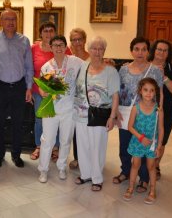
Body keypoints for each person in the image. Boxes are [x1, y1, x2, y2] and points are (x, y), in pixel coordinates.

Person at [113, 37, 163, 194]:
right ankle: (126, 171)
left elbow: (159, 92)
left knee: (144, 146)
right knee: (126, 145)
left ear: (148, 51)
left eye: (143, 49)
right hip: (126, 113)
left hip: (146, 115)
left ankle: (144, 178)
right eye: (136, 49)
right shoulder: (123, 69)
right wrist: (115, 112)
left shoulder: (155, 70)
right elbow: (118, 91)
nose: (140, 52)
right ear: (131, 51)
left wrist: (159, 110)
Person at [0, 9, 34, 168]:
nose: (10, 22)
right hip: (0, 86)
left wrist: (28, 88)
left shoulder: (24, 41)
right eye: (7, 19)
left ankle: (16, 154)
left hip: (19, 86)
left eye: (13, 19)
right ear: (1, 22)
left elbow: (29, 66)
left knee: (18, 123)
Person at [73, 36, 119, 191]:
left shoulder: (111, 71)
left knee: (97, 146)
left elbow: (115, 96)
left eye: (101, 48)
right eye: (94, 48)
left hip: (99, 115)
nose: (97, 51)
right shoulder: (83, 66)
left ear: (104, 51)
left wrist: (112, 117)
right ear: (89, 49)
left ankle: (97, 178)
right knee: (83, 145)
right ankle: (85, 174)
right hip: (80, 114)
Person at [38, 35, 83, 183]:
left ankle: (62, 166)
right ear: (51, 48)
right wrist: (42, 91)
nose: (58, 48)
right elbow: (42, 88)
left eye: (61, 45)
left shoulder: (75, 62)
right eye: (55, 45)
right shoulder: (46, 67)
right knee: (47, 140)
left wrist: (106, 63)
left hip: (69, 109)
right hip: (51, 108)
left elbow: (91, 66)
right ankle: (43, 169)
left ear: (66, 47)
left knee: (65, 140)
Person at [30, 22, 71, 162]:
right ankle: (39, 146)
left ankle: (55, 147)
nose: (48, 33)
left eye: (51, 30)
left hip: (59, 92)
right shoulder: (33, 48)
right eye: (45, 30)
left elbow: (72, 64)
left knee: (58, 118)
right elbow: (28, 68)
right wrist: (29, 88)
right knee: (40, 119)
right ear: (40, 33)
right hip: (40, 90)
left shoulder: (63, 48)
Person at [123, 78, 164, 204]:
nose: (148, 93)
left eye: (152, 91)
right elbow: (130, 126)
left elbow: (161, 129)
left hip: (152, 144)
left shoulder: (158, 110)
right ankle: (130, 187)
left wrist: (159, 146)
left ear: (155, 93)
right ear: (140, 91)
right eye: (145, 90)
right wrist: (140, 138)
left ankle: (152, 190)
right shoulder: (136, 108)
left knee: (151, 166)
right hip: (138, 142)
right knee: (135, 164)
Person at [148, 39, 172, 180]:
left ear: (168, 53)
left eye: (165, 50)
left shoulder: (171, 68)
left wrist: (164, 77)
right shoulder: (146, 66)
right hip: (146, 110)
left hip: (166, 110)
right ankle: (144, 166)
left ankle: (156, 166)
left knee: (161, 140)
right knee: (146, 139)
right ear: (154, 50)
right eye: (159, 49)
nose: (161, 52)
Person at [68, 28, 90, 170]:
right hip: (71, 100)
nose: (77, 43)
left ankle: (89, 158)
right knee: (75, 131)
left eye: (79, 39)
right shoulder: (67, 58)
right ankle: (77, 158)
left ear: (84, 40)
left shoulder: (91, 57)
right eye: (74, 40)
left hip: (88, 101)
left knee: (88, 131)